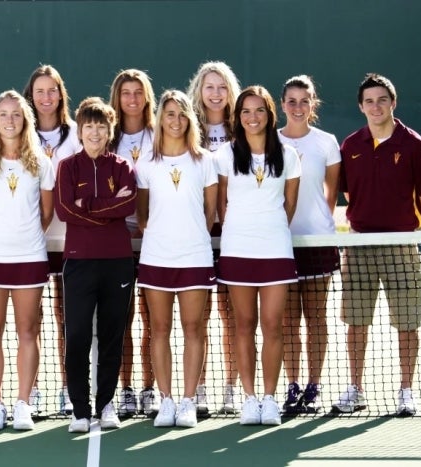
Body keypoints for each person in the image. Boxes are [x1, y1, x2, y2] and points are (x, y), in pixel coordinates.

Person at [332, 73, 421, 416]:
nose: (376, 106)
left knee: (408, 322)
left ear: (394, 103)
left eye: (382, 100)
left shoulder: (414, 144)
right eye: (369, 101)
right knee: (356, 322)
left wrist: (402, 224)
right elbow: (349, 194)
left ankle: (406, 390)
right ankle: (355, 388)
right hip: (359, 245)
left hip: (401, 246)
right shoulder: (350, 145)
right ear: (361, 107)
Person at [0, 90, 54, 431]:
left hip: (30, 258)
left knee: (28, 330)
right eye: (3, 114)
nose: (9, 120)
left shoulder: (42, 162)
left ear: (25, 120)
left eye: (16, 115)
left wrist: (26, 237)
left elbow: (46, 213)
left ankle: (22, 404)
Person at [216, 85, 301, 426]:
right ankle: (249, 398)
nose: (253, 118)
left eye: (259, 111)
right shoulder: (224, 154)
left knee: (273, 326)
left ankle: (269, 398)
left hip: (275, 250)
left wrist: (270, 228)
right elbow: (221, 205)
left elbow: (289, 205)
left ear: (269, 114)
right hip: (237, 250)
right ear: (237, 117)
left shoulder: (290, 155)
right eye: (246, 111)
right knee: (244, 325)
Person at [55, 96, 137, 433]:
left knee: (112, 335)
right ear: (80, 129)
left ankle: (105, 404)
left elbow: (128, 203)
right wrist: (107, 210)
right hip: (78, 264)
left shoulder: (122, 166)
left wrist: (87, 204)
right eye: (89, 126)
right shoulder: (67, 166)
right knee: (75, 336)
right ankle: (79, 411)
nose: (94, 132)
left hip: (118, 263)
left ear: (109, 130)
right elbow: (64, 211)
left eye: (101, 126)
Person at [136, 90, 217, 428]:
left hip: (195, 256)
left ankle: (187, 401)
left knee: (194, 327)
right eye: (169, 114)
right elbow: (142, 216)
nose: (175, 120)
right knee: (159, 329)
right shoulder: (146, 163)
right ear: (160, 119)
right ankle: (166, 400)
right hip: (156, 257)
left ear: (190, 120)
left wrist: (190, 234)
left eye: (182, 114)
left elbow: (210, 213)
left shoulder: (204, 161)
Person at [277, 75, 341, 414]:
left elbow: (331, 194)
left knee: (316, 318)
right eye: (292, 101)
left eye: (305, 100)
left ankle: (314, 386)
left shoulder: (327, 142)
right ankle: (293, 384)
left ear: (312, 104)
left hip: (317, 242)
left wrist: (318, 224)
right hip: (280, 243)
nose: (298, 107)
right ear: (282, 104)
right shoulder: (270, 142)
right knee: (287, 320)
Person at [22, 65, 81, 415]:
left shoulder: (76, 133)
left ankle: (65, 387)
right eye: (39, 91)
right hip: (30, 241)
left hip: (70, 240)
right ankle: (35, 390)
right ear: (31, 95)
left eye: (52, 90)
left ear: (61, 94)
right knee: (32, 320)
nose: (46, 97)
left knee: (66, 318)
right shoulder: (20, 133)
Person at [186, 60, 241, 414]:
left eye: (222, 87)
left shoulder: (245, 128)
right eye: (210, 86)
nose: (216, 93)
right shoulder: (187, 129)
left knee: (232, 316)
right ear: (199, 91)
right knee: (200, 317)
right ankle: (200, 388)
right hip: (199, 235)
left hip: (237, 234)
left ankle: (232, 389)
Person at [108, 68, 158, 417]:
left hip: (156, 242)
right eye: (126, 92)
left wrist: (148, 226)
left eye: (138, 92)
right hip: (117, 244)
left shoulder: (160, 135)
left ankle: (149, 389)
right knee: (120, 320)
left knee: (153, 319)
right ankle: (124, 389)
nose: (132, 99)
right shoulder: (106, 138)